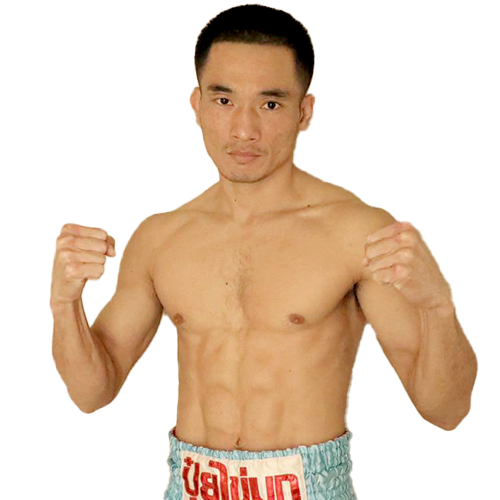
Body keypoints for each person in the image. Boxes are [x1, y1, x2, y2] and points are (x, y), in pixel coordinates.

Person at [49, 4, 478, 499]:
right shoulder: (160, 236)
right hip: (189, 485)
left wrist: (439, 305)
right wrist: (65, 302)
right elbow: (92, 394)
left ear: (305, 112)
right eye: (224, 100)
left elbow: (446, 411)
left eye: (270, 104)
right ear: (196, 104)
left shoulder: (357, 232)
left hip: (308, 487)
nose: (244, 130)